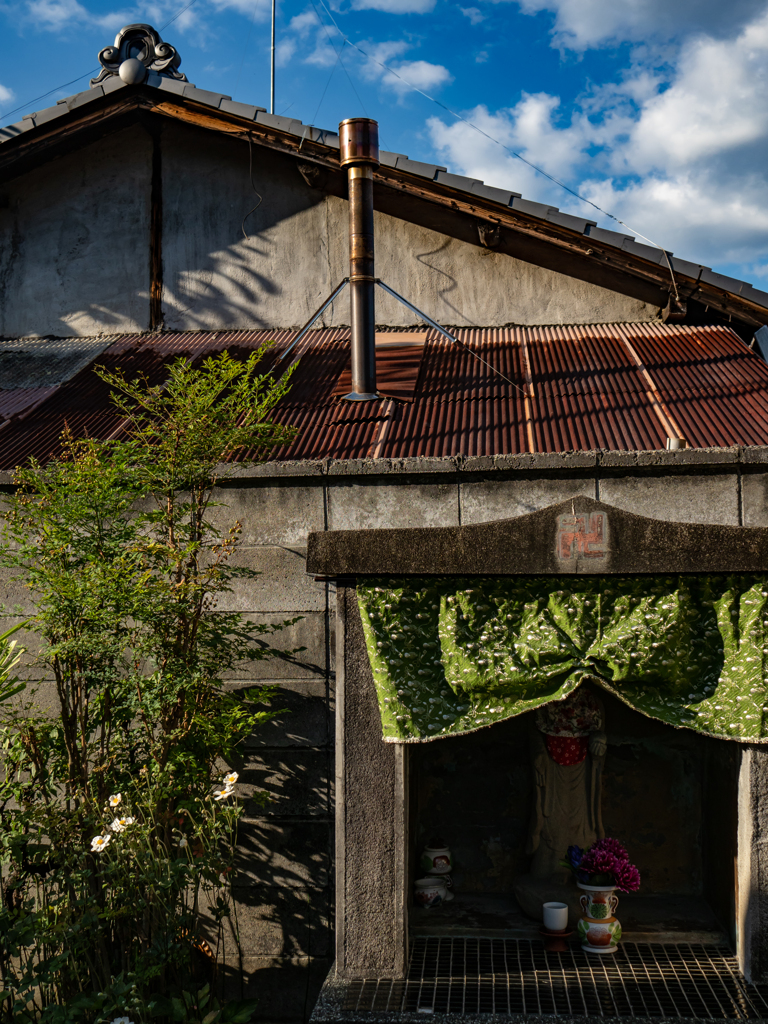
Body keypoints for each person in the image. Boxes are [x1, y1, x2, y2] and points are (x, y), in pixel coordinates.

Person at [526, 685, 607, 881]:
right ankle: (547, 870)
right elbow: (533, 732)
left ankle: (584, 875)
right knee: (551, 823)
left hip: (584, 771)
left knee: (583, 824)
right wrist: (538, 755)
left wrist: (599, 743)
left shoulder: (591, 702)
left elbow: (600, 733)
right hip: (552, 772)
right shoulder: (545, 699)